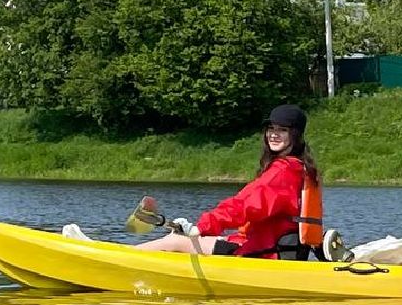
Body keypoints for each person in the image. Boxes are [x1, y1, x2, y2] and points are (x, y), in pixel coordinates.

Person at [136, 104, 324, 258]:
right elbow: (244, 203)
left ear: (295, 135)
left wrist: (203, 226)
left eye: (282, 130)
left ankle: (124, 263)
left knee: (175, 242)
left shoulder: (283, 171)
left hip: (264, 252)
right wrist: (202, 229)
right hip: (267, 246)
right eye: (271, 129)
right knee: (180, 236)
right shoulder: (297, 168)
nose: (274, 134)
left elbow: (246, 206)